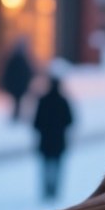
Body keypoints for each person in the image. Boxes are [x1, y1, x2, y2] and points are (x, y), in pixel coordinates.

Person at [32, 72, 76, 202]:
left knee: (45, 166)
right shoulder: (63, 101)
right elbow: (70, 120)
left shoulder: (43, 101)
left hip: (45, 141)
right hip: (59, 141)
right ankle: (54, 191)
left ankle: (46, 190)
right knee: (58, 166)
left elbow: (36, 123)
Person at [0, 40, 34, 121]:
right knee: (17, 100)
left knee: (17, 100)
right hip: (18, 85)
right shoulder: (21, 59)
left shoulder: (16, 59)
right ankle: (17, 114)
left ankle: (16, 114)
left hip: (18, 85)